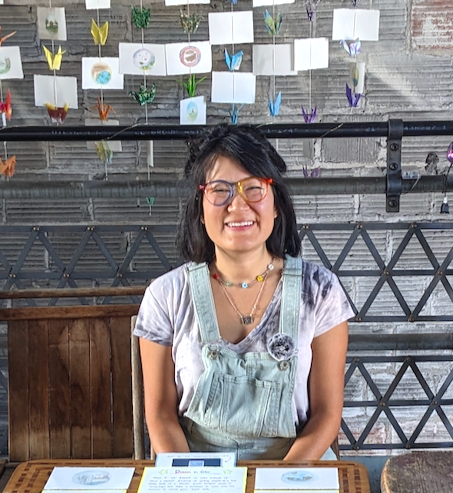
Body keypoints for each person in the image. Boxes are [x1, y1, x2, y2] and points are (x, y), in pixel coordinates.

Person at [135, 125, 352, 461]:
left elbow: (326, 415)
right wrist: (191, 483)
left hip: (294, 467)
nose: (237, 206)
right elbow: (161, 415)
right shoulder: (166, 295)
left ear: (276, 204)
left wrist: (279, 483)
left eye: (253, 188)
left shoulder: (320, 292)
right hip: (196, 469)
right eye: (220, 190)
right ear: (200, 208)